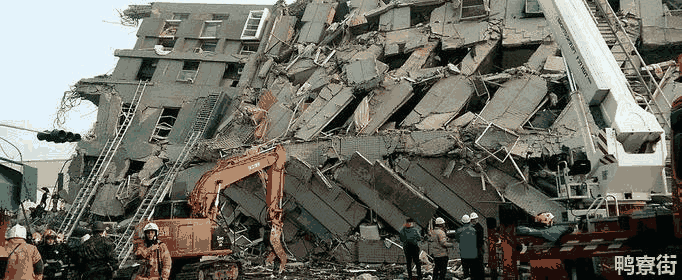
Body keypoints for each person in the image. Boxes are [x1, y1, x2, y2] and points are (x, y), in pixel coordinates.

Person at [455, 214, 481, 280]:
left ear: (462, 222)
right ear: (469, 221)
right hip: (473, 253)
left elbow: (458, 240)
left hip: (463, 253)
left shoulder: (459, 231)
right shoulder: (474, 230)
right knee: (473, 271)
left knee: (465, 271)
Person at [470, 213, 486, 280]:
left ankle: (475, 277)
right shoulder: (480, 227)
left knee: (475, 266)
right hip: (478, 250)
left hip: (475, 250)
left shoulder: (474, 228)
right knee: (479, 265)